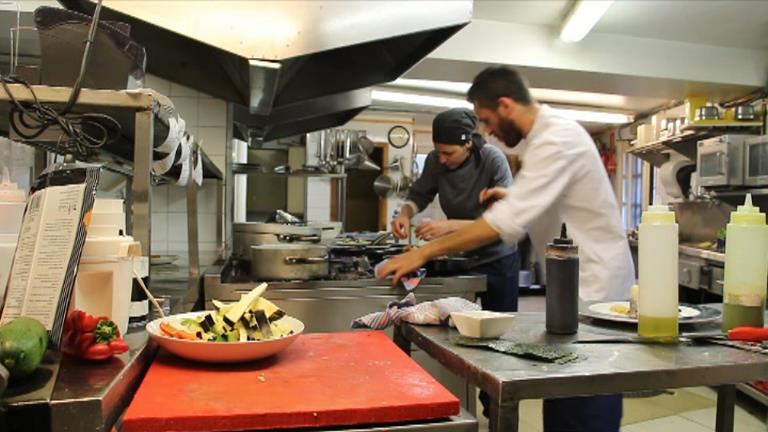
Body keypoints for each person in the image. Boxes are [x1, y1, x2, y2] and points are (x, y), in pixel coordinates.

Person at [378, 66, 635, 432]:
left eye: (486, 120)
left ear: (505, 105)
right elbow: (548, 201)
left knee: (586, 393)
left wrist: (421, 253)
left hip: (595, 285)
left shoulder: (556, 138)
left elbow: (501, 225)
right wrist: (513, 196)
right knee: (564, 390)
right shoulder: (544, 139)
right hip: (572, 282)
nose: (487, 132)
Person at [391, 107, 520, 312]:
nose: (441, 159)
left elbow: (502, 220)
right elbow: (419, 195)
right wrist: (404, 215)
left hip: (497, 259)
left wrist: (450, 226)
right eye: (438, 151)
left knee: (499, 324)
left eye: (448, 153)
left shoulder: (492, 159)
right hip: (460, 258)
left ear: (468, 143)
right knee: (454, 322)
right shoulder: (435, 160)